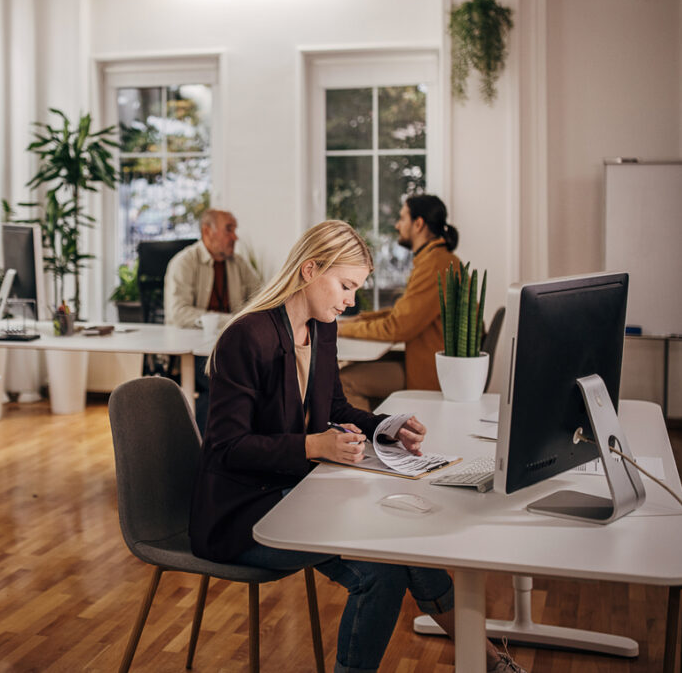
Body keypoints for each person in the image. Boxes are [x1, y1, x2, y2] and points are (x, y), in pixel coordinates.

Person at [188, 220, 526, 673]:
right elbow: (227, 447)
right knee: (384, 569)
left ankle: (486, 661)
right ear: (310, 270)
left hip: (294, 492)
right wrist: (313, 446)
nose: (351, 301)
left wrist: (389, 425)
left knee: (403, 551)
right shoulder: (248, 337)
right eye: (346, 286)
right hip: (243, 512)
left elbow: (334, 405)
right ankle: (489, 662)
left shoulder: (322, 327)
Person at [337, 195, 462, 411]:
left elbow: (398, 327)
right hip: (428, 361)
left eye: (402, 218)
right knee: (351, 368)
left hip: (431, 373)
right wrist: (358, 319)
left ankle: (364, 442)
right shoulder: (436, 259)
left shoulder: (435, 265)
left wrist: (340, 329)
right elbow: (403, 313)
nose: (397, 225)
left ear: (418, 223)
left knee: (342, 381)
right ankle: (380, 432)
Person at [163, 208, 262, 429]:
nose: (235, 237)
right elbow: (178, 312)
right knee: (222, 381)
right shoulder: (184, 263)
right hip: (193, 349)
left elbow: (262, 299)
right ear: (207, 232)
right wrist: (229, 320)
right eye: (229, 230)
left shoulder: (238, 264)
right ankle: (201, 448)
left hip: (230, 345)